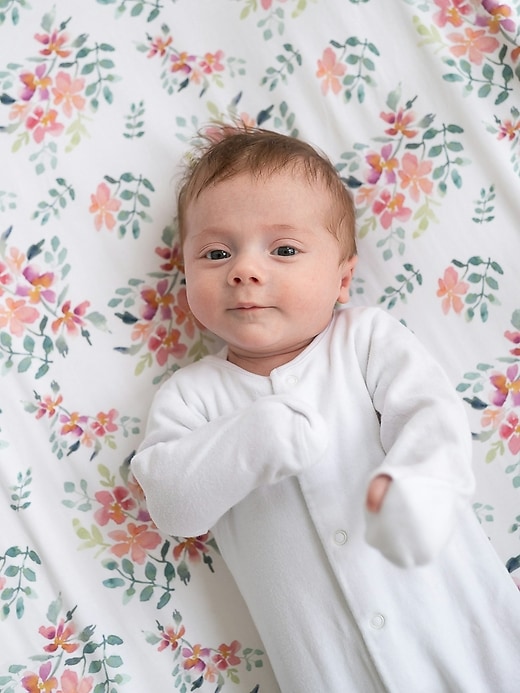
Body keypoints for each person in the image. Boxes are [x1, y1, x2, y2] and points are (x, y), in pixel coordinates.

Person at [132, 125, 520, 692]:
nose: (245, 269)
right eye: (216, 252)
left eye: (283, 249)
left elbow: (431, 414)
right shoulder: (192, 396)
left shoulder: (365, 340)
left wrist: (417, 483)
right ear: (185, 273)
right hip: (331, 669)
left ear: (343, 278)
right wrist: (253, 438)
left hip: (462, 631)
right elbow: (172, 505)